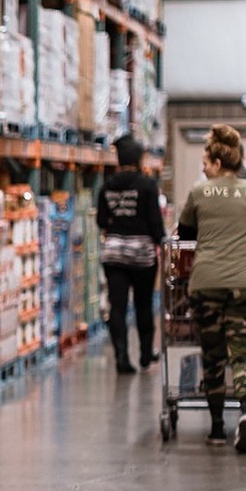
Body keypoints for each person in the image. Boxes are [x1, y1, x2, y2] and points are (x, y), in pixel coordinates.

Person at [176, 124, 246, 452]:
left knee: (212, 357)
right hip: (245, 281)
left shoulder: (200, 192)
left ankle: (215, 429)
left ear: (215, 161)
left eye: (204, 161)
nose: (202, 167)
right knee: (242, 354)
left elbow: (185, 234)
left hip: (206, 283)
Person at [96, 135, 166, 374]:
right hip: (142, 254)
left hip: (114, 252)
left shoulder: (107, 185)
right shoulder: (147, 184)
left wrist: (116, 220)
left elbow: (101, 220)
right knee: (143, 305)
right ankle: (146, 354)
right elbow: (155, 221)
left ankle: (122, 358)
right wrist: (161, 243)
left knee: (118, 306)